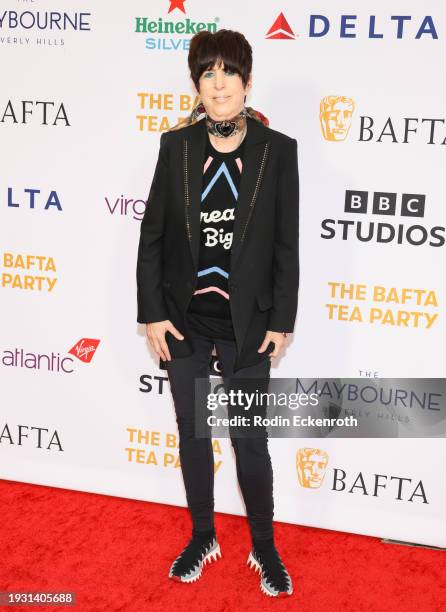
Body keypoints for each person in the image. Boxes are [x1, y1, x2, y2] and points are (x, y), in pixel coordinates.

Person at [136, 29, 299, 597]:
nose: (220, 83)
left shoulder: (279, 152)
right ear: (197, 85)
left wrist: (282, 321)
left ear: (247, 81)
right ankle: (203, 535)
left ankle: (264, 545)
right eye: (208, 74)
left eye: (229, 71)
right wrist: (152, 314)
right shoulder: (174, 146)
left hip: (248, 326)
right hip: (183, 321)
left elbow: (286, 245)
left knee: (250, 441)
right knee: (192, 435)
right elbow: (152, 235)